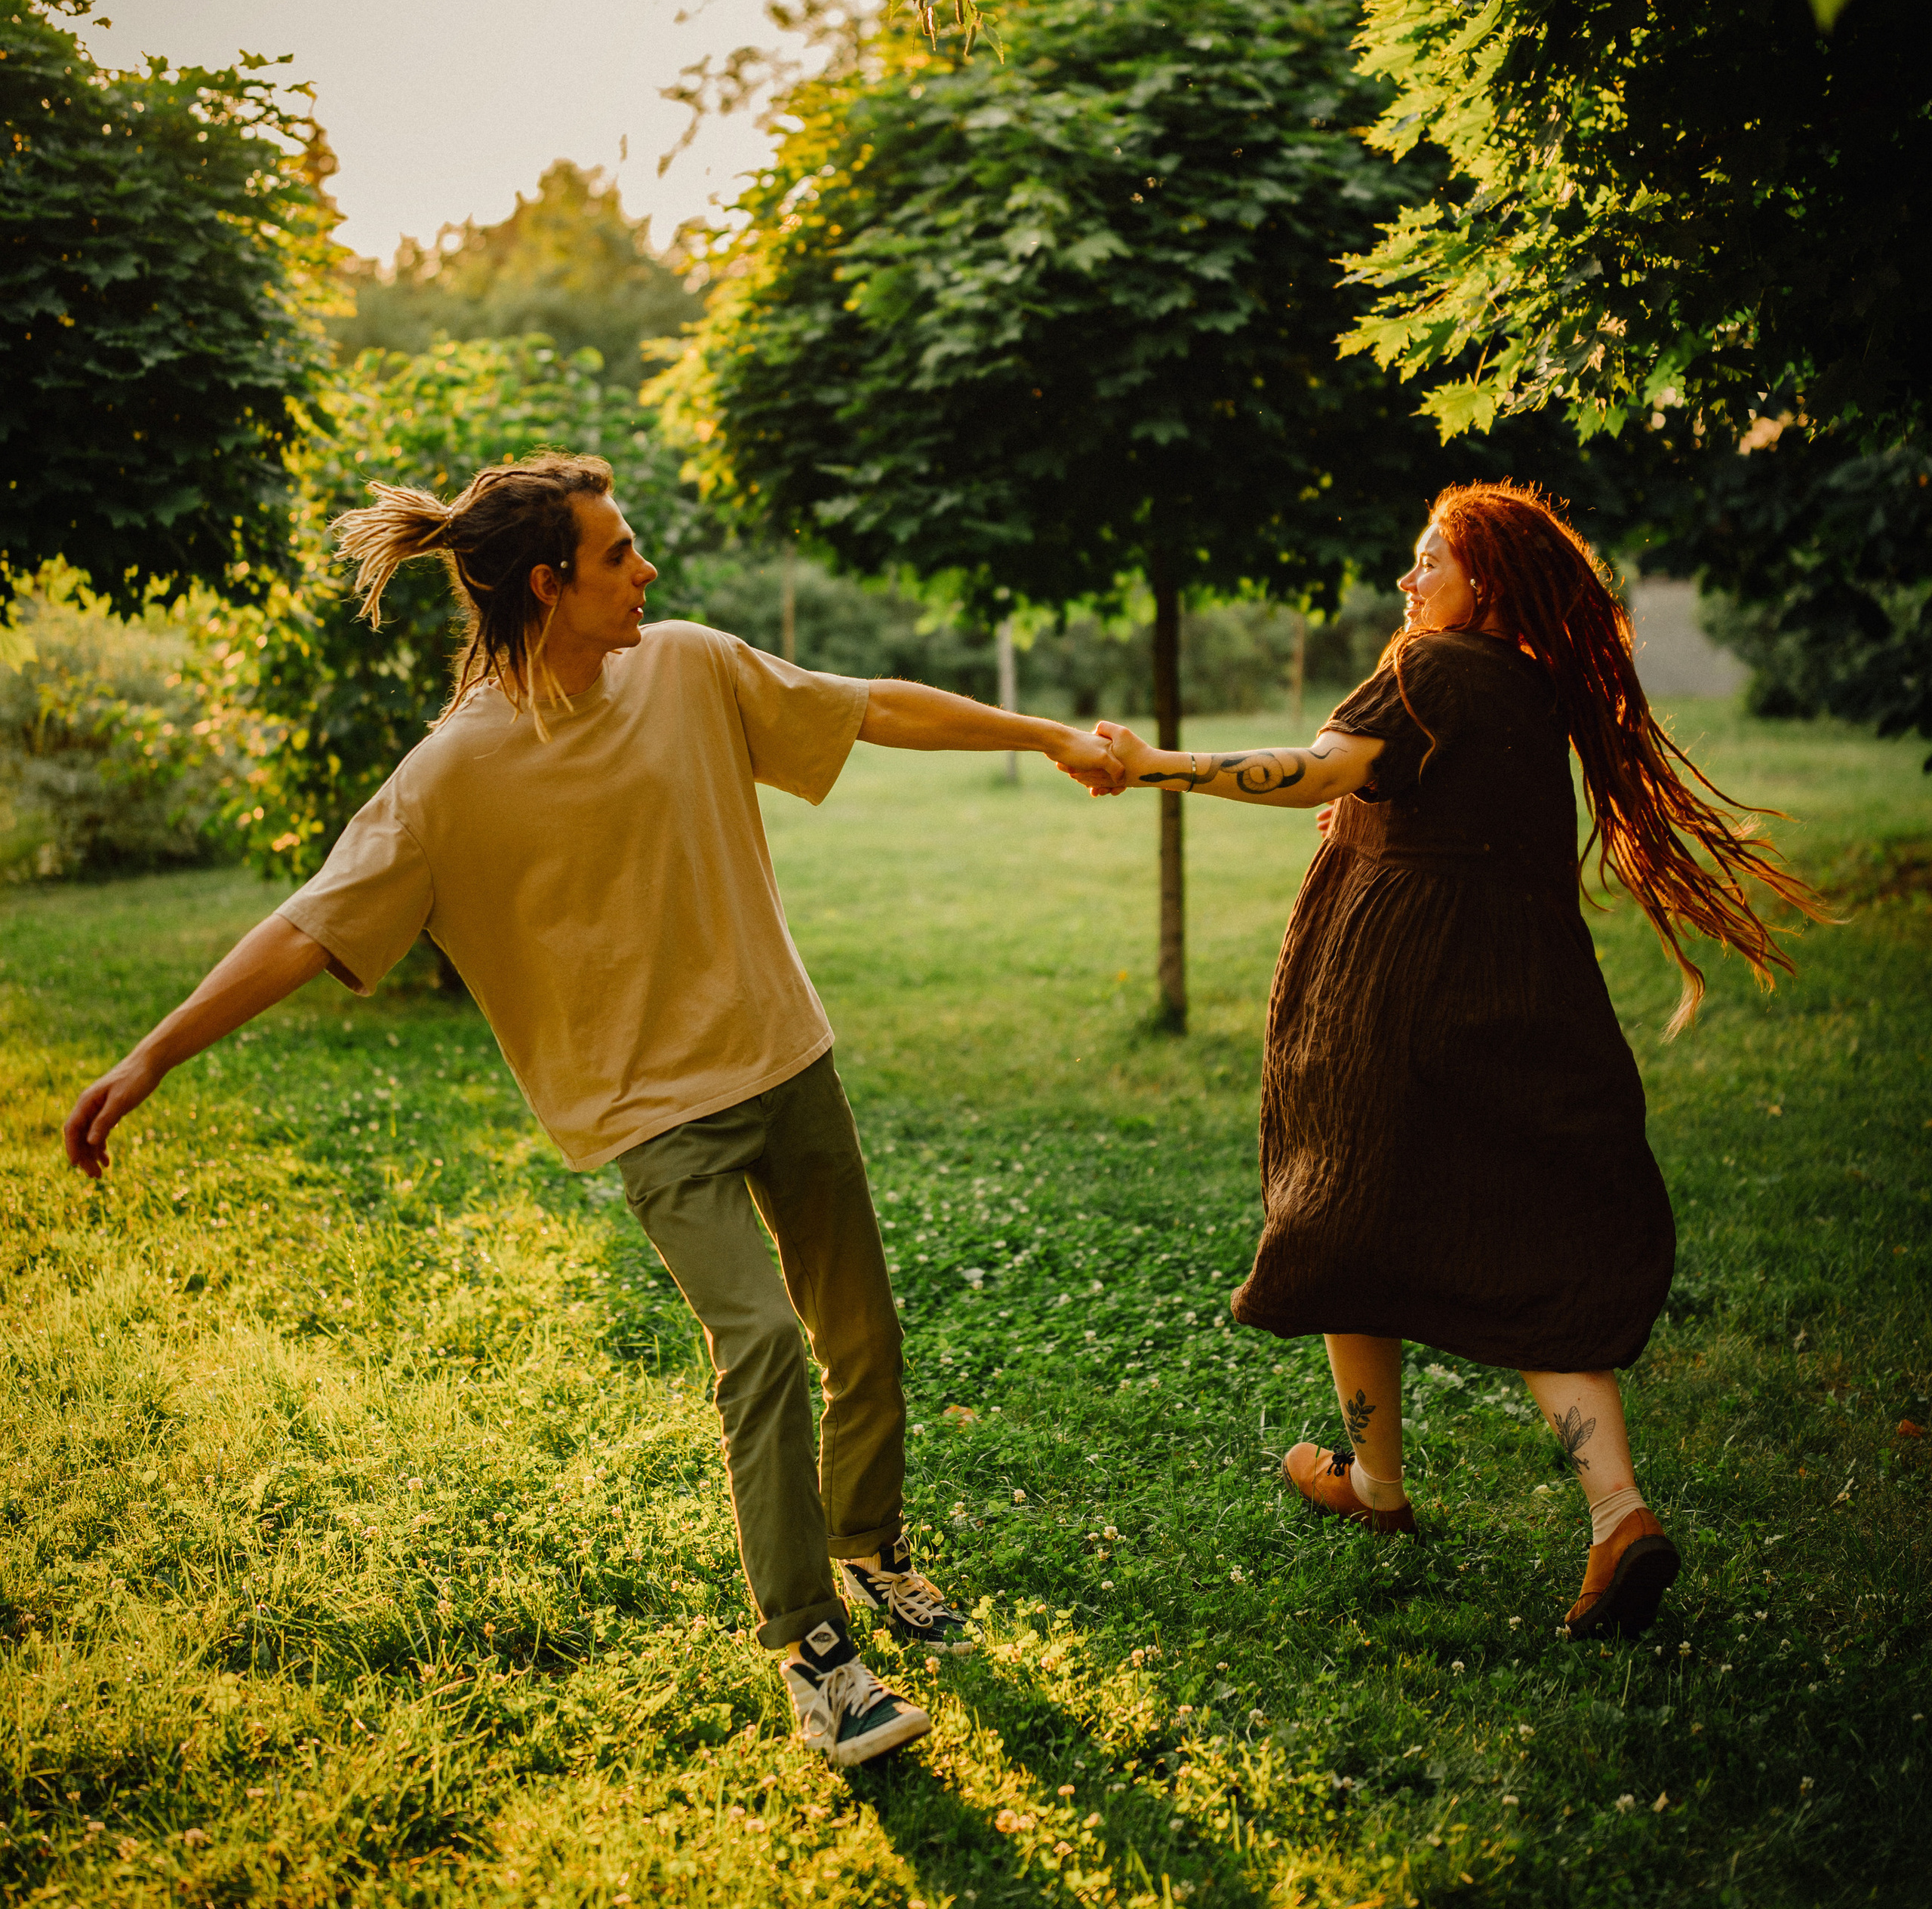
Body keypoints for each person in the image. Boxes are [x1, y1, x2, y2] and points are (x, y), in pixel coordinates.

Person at [63, 451, 1117, 1762]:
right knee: (765, 1341)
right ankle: (813, 1652)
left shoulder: (689, 665)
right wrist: (153, 1057)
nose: (649, 573)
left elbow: (869, 709)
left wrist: (1049, 734)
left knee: (864, 1335)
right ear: (551, 586)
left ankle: (868, 1545)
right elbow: (304, 928)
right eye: (621, 555)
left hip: (783, 1057)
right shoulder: (448, 779)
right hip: (649, 1113)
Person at [1082, 481, 1821, 1639]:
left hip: (1396, 994)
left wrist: (1153, 763)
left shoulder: (1431, 669)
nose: (1409, 582)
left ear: (1488, 580)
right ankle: (1617, 1515)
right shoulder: (1534, 688)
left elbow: (1318, 776)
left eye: (1429, 561)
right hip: (1531, 991)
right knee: (1533, 1248)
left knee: (1338, 1212)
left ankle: (1379, 1487)